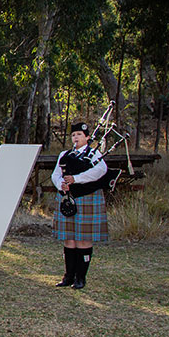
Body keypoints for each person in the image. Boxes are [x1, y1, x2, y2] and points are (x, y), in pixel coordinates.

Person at [51, 121, 109, 290]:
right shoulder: (65, 154)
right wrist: (61, 184)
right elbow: (56, 174)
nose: (76, 138)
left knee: (83, 239)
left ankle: (80, 278)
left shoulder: (94, 154)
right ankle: (68, 276)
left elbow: (100, 171)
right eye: (73, 135)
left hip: (87, 198)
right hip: (67, 198)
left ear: (87, 137)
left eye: (79, 135)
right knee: (69, 239)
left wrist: (76, 179)